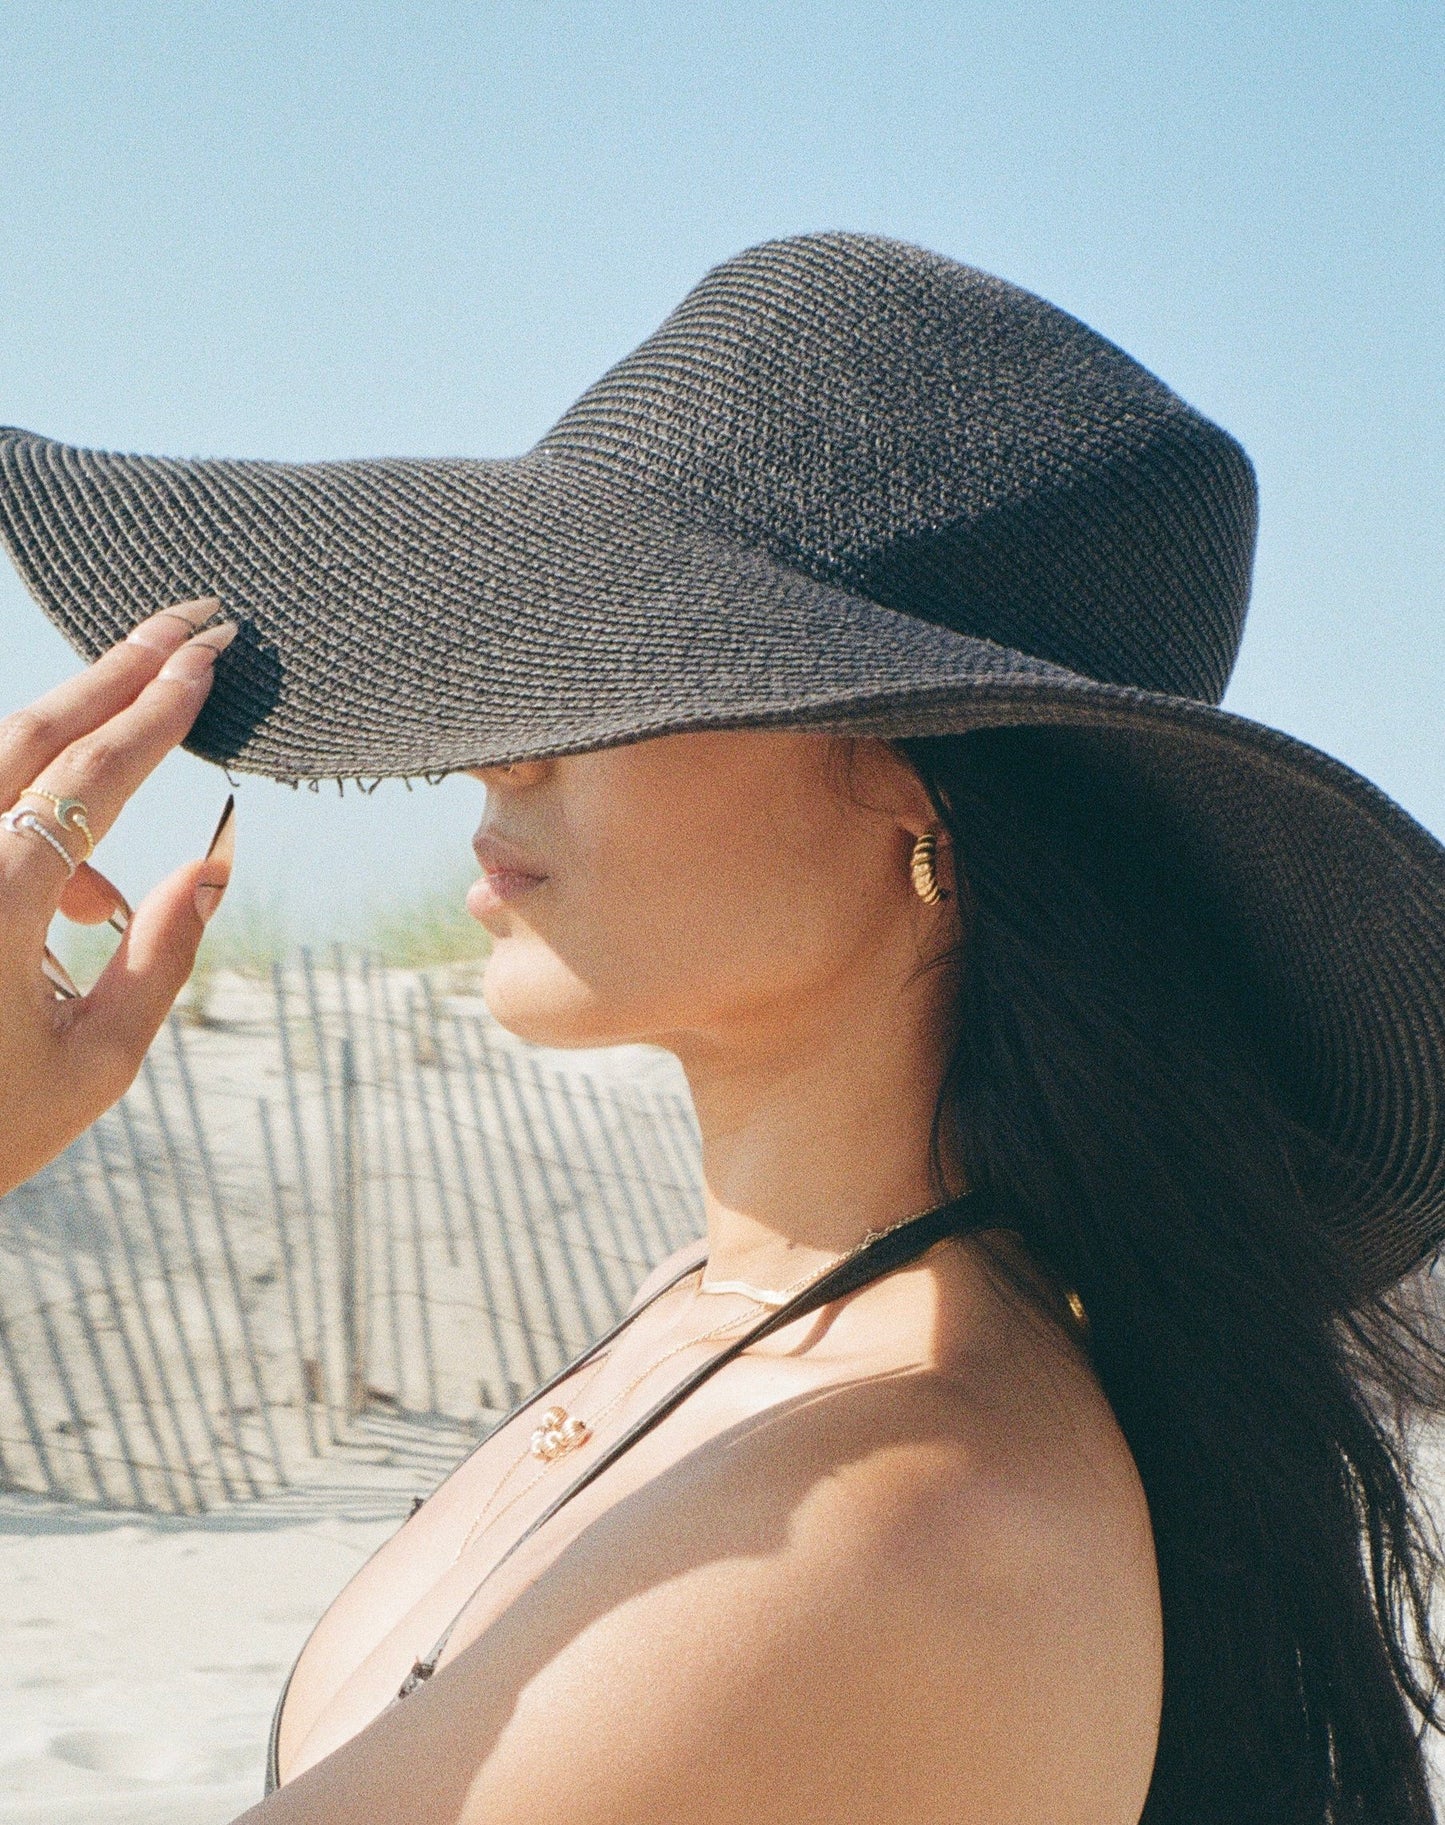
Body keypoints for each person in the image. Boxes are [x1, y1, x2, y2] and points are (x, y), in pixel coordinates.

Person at [0, 233, 1442, 1825]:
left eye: (618, 662)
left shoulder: (891, 1517)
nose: (505, 749)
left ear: (924, 794)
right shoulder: (740, 1321)